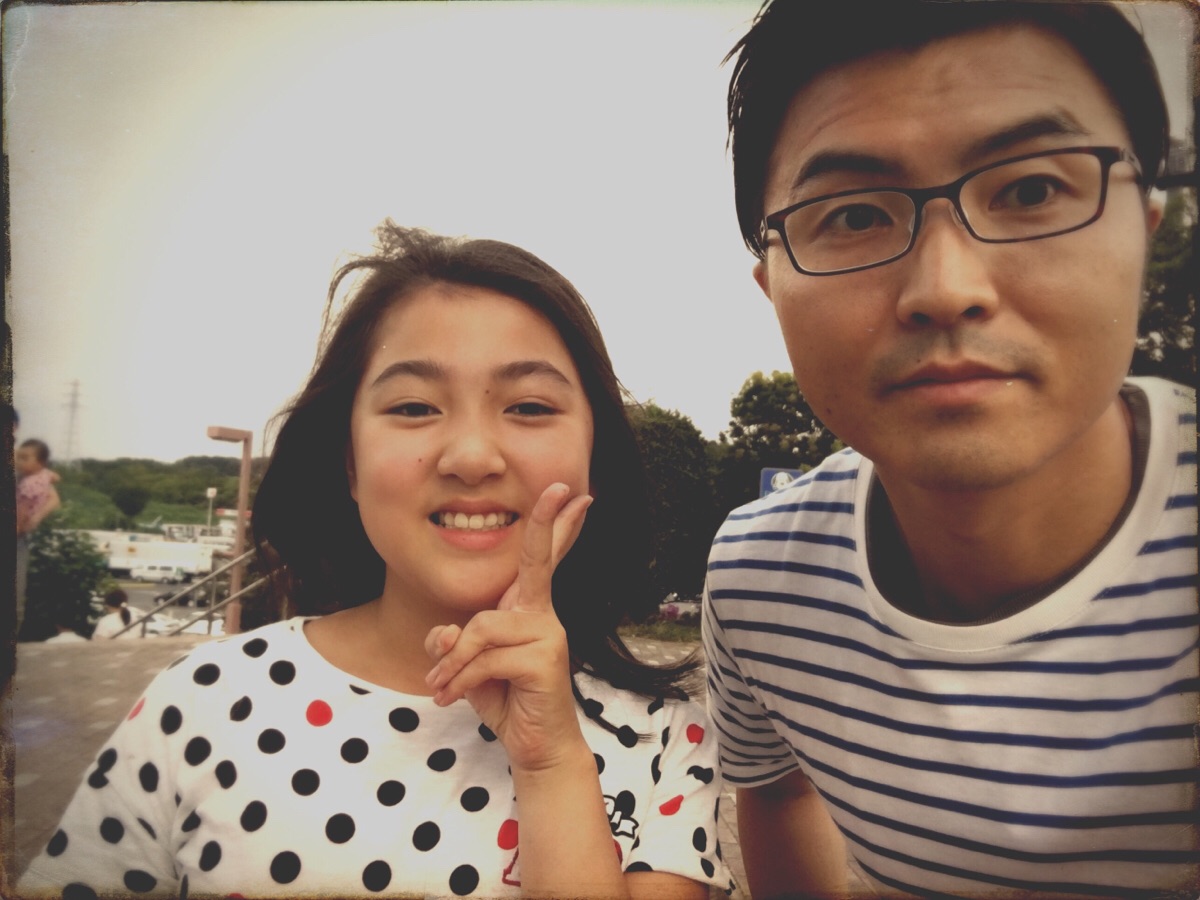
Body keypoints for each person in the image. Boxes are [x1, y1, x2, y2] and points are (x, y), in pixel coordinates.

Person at [20, 223, 732, 899]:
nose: (472, 457)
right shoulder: (198, 703)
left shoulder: (670, 741)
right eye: (415, 407)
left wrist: (550, 765)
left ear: (595, 460)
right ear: (349, 463)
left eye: (529, 407)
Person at [702, 1, 1198, 897]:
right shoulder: (757, 578)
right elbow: (772, 789)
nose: (946, 288)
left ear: (1147, 223)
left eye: (1031, 190)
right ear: (770, 285)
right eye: (855, 213)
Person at [15, 437, 61, 636]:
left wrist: (33, 519)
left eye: (25, 458)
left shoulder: (28, 481)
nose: (20, 461)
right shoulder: (37, 475)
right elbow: (54, 477)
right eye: (19, 457)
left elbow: (52, 500)